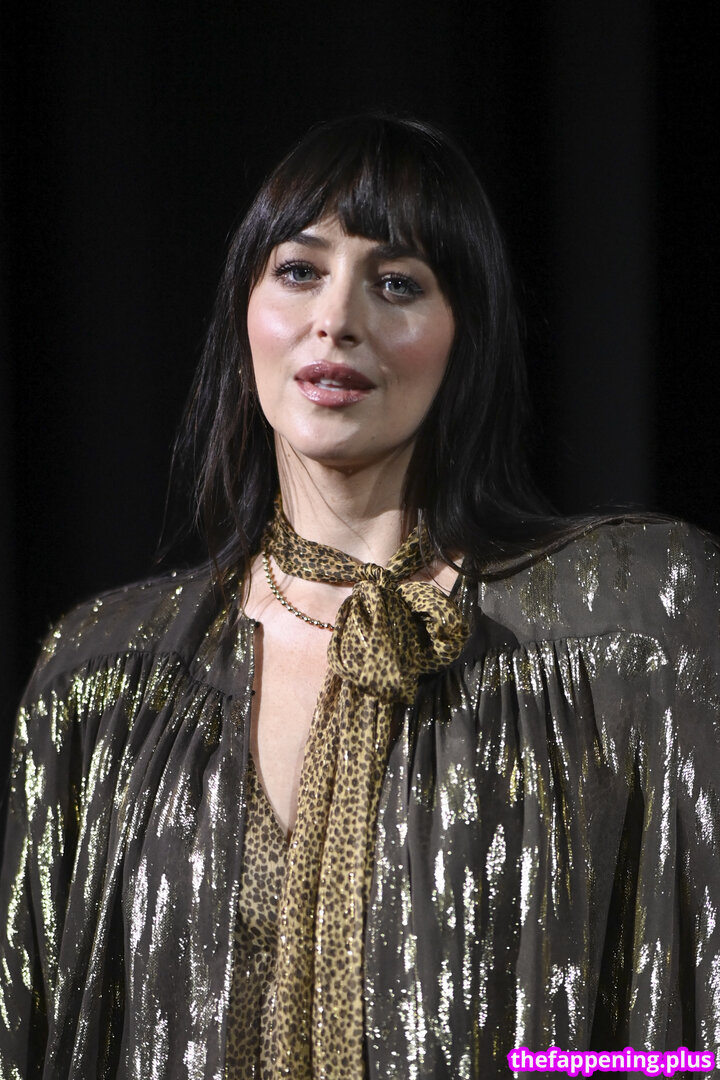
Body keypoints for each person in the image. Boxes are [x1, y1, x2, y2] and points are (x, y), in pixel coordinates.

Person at [1, 113, 718, 1080]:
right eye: (299, 270)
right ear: (244, 313)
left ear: (465, 337)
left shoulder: (633, 619)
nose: (337, 318)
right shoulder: (100, 677)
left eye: (398, 283)